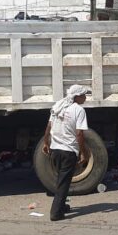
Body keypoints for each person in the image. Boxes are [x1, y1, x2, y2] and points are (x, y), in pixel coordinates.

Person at [42, 85, 90, 221]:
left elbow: (48, 127)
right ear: (77, 96)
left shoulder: (58, 106)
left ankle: (62, 206)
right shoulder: (79, 110)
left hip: (55, 150)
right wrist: (83, 152)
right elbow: (80, 133)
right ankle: (56, 213)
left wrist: (46, 142)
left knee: (60, 180)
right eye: (84, 95)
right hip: (68, 151)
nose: (85, 97)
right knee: (64, 183)